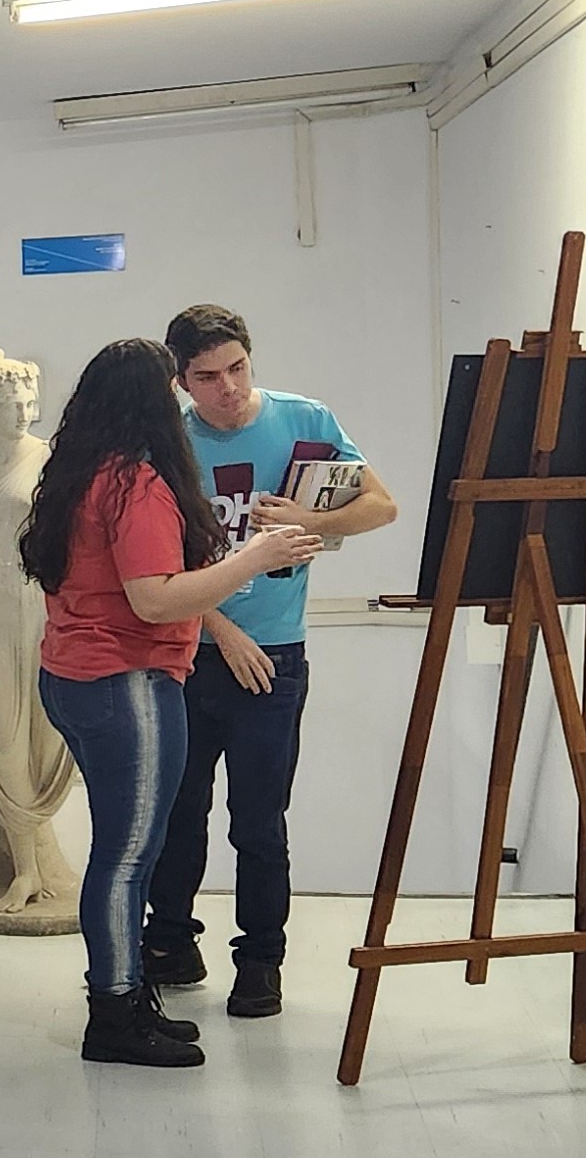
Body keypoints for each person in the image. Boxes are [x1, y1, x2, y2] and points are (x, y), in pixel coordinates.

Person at [21, 338, 323, 1069]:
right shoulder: (137, 483)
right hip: (126, 680)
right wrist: (255, 557)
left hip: (74, 676)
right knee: (127, 858)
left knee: (125, 851)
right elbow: (154, 600)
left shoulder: (80, 473)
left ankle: (127, 997)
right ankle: (114, 1013)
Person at [145, 300, 399, 1018]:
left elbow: (382, 506)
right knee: (176, 813)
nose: (228, 387)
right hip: (188, 651)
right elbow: (154, 566)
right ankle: (170, 942)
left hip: (277, 652)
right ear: (181, 382)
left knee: (259, 821)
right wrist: (220, 628)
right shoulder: (168, 442)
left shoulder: (304, 419)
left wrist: (310, 521)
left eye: (238, 368)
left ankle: (260, 961)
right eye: (207, 377)